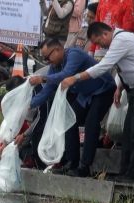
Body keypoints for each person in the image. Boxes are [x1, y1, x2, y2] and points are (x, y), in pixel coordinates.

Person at [61, 22, 134, 183]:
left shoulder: (121, 40)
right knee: (129, 132)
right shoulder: (119, 41)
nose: (100, 46)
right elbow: (130, 66)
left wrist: (75, 78)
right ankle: (126, 172)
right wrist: (120, 86)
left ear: (105, 34)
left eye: (99, 41)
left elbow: (103, 67)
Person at [29, 38, 115, 177]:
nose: (47, 62)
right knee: (68, 121)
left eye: (47, 57)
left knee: (91, 123)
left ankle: (85, 166)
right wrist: (28, 105)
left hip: (103, 89)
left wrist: (43, 78)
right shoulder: (54, 67)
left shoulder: (74, 54)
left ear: (57, 49)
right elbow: (46, 91)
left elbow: (66, 74)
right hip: (85, 95)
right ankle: (71, 162)